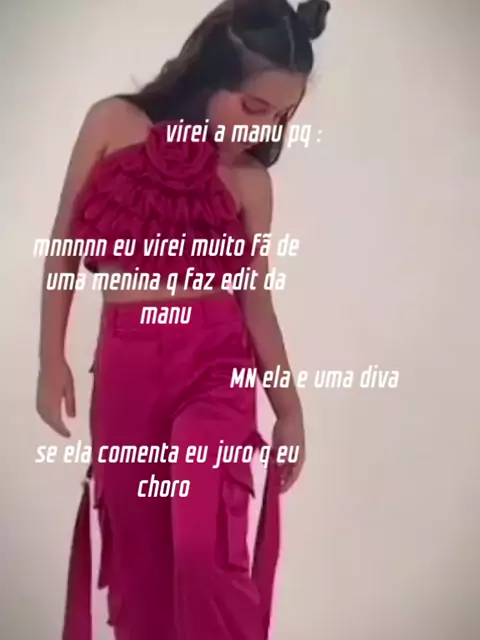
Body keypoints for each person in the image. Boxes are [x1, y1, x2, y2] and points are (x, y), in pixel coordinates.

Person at [36, 0, 330, 637]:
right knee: (139, 567)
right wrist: (50, 357)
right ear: (209, 73)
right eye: (254, 107)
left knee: (204, 549)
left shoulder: (249, 183)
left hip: (215, 365)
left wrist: (290, 408)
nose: (262, 129)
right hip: (127, 367)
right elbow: (63, 243)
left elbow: (255, 298)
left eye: (280, 116)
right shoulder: (113, 123)